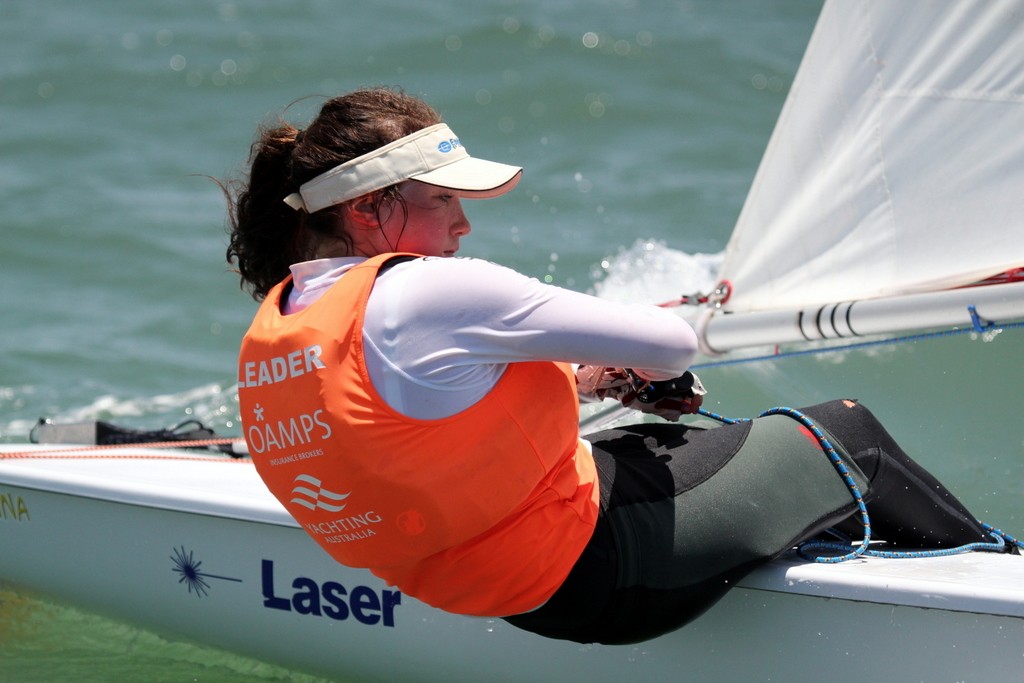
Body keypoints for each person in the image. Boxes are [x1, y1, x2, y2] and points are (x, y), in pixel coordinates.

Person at [227, 87, 1004, 645]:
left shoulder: (286, 325)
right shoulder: (427, 288)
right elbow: (671, 344)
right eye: (441, 201)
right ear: (368, 211)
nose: (463, 224)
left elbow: (422, 420)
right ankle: (1003, 603)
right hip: (602, 575)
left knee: (640, 451)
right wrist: (644, 361)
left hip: (504, 596)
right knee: (846, 434)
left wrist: (594, 377)